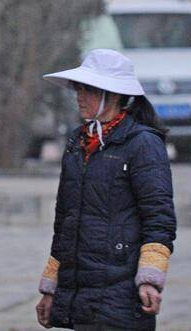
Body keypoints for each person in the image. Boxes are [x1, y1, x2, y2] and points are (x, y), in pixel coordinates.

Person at [36, 49, 176, 330]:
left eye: (87, 90)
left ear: (112, 95)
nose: (79, 96)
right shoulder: (78, 143)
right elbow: (65, 221)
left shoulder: (142, 144)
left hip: (121, 292)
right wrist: (51, 287)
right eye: (78, 89)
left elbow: (158, 218)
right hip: (80, 291)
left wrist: (150, 279)